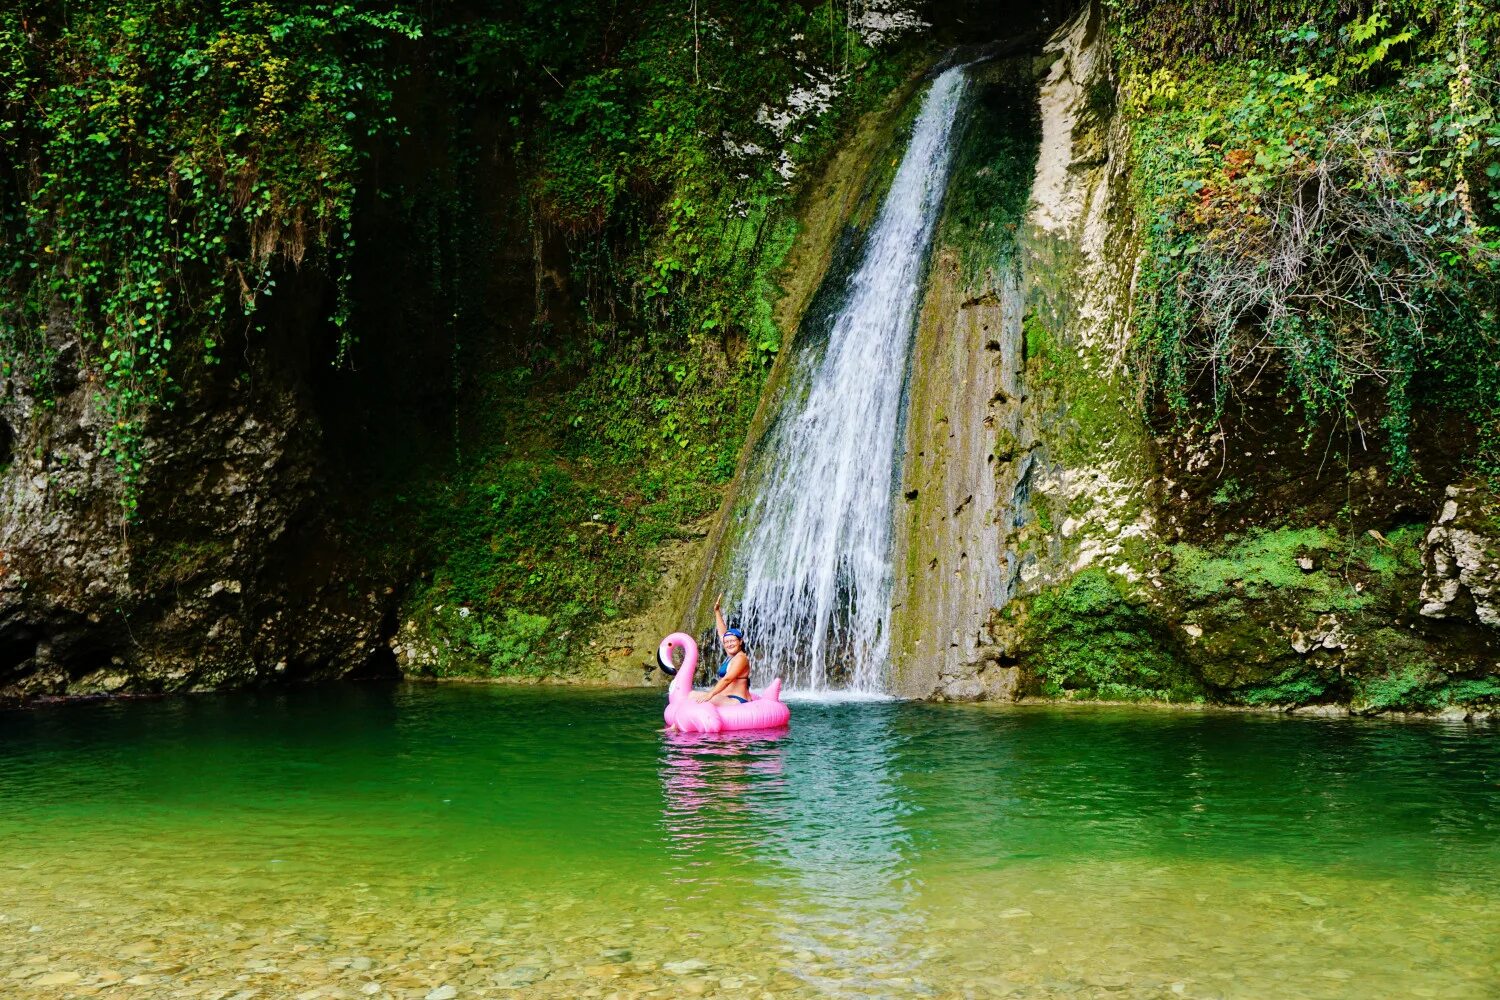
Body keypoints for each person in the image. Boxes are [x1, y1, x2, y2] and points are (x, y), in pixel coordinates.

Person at [693, 593, 752, 705]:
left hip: (737, 700)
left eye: (733, 641)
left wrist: (710, 694)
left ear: (740, 642)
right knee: (691, 695)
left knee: (693, 696)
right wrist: (717, 611)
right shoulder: (731, 655)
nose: (729, 644)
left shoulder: (741, 658)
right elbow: (722, 634)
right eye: (727, 642)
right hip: (726, 696)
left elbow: (727, 679)